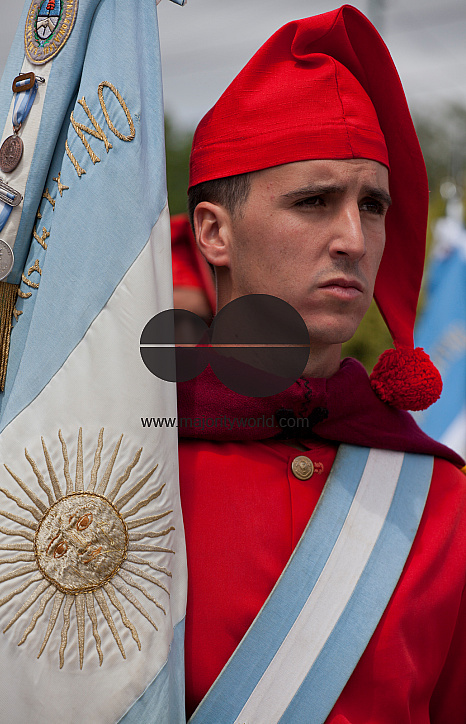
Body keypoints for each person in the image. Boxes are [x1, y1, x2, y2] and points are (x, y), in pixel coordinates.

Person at [177, 6, 466, 722]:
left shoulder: (442, 499)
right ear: (214, 230)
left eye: (372, 205)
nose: (353, 238)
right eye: (315, 201)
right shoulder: (119, 461)